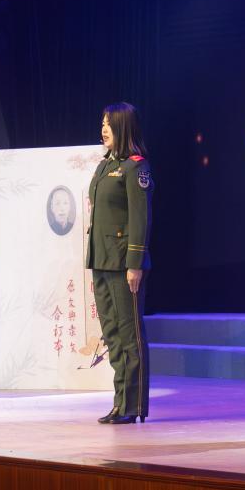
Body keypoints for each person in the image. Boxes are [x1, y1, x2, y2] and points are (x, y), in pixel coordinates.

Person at [86, 102, 153, 424]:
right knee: (112, 334)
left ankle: (133, 405)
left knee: (130, 336)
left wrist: (135, 263)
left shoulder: (135, 167)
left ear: (123, 127)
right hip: (101, 259)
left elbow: (141, 219)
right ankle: (119, 402)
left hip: (124, 263)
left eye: (109, 124)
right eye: (102, 123)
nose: (103, 129)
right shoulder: (105, 166)